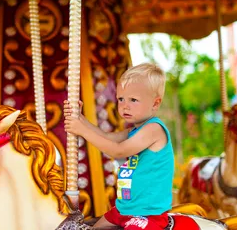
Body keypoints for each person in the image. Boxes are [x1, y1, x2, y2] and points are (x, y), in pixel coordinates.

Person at [64, 63, 174, 230]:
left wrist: (82, 131)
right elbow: (107, 137)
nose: (125, 105)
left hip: (147, 214)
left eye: (133, 100)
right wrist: (80, 119)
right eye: (121, 99)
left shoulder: (154, 129)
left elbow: (118, 150)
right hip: (123, 210)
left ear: (155, 104)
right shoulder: (133, 131)